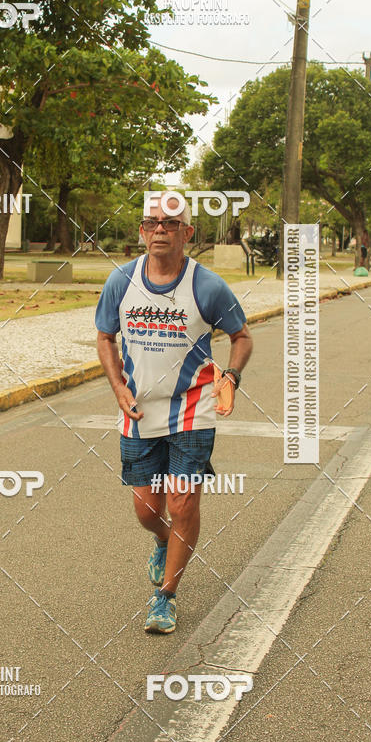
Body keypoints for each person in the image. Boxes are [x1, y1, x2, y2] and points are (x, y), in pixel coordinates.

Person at [95, 193, 253, 634]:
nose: (160, 229)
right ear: (142, 232)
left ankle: (165, 596)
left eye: (170, 223)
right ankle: (162, 540)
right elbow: (105, 338)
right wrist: (118, 387)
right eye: (151, 223)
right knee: (147, 509)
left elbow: (241, 337)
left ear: (188, 233)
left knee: (182, 500)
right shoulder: (121, 282)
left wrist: (231, 378)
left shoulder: (207, 286)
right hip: (139, 410)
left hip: (193, 408)